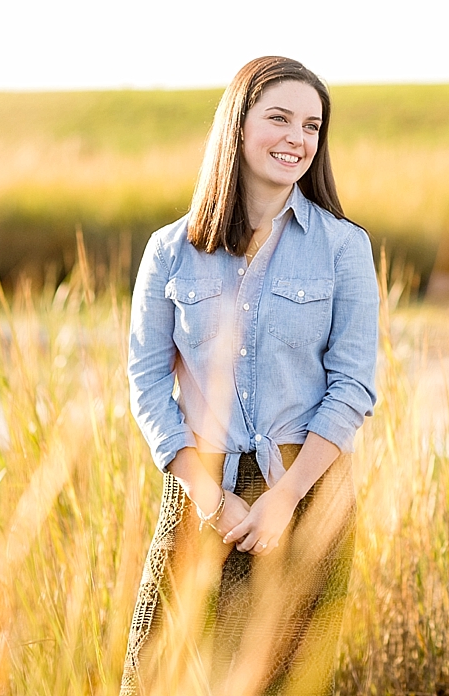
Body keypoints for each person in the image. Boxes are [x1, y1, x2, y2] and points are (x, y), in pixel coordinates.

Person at [120, 56, 380, 695]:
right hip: (200, 494)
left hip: (307, 493)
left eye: (312, 126)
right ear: (238, 127)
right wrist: (212, 500)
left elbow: (353, 386)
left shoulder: (344, 247)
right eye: (280, 119)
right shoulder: (171, 250)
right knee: (159, 676)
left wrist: (284, 499)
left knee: (283, 682)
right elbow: (147, 381)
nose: (297, 138)